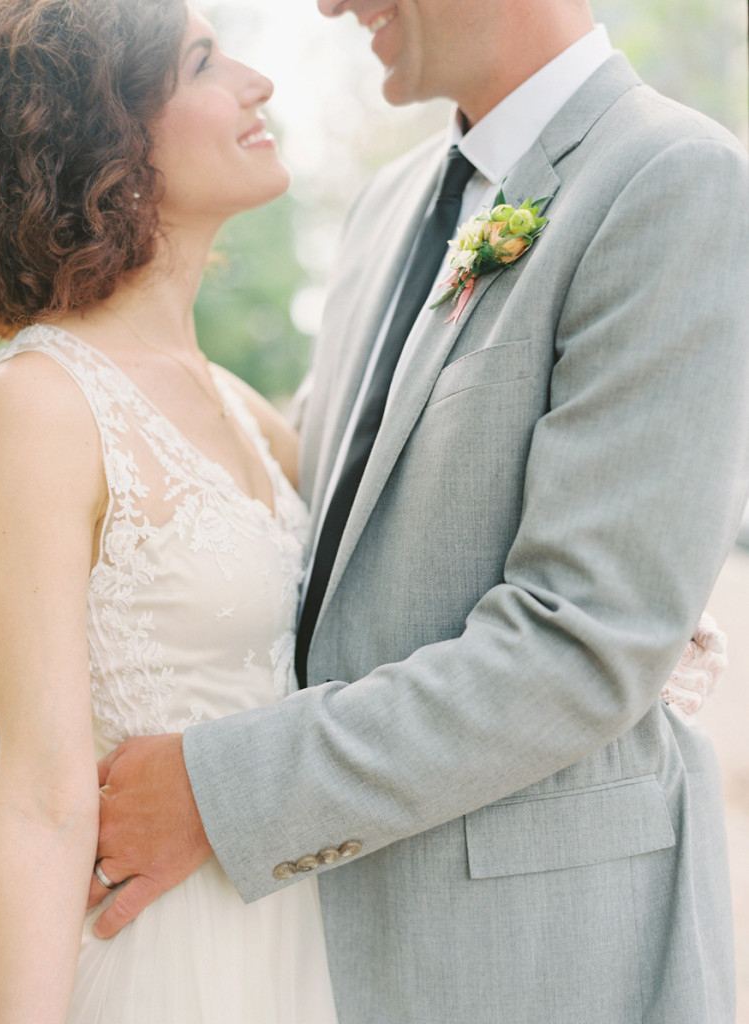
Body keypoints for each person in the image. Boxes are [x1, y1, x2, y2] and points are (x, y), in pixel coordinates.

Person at [86, 0, 749, 1021]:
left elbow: (583, 641)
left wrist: (218, 794)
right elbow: (317, 513)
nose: (329, 5)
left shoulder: (671, 177)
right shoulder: (386, 208)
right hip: (316, 954)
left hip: (546, 963)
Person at [0, 1, 340, 1021]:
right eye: (204, 62)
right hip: (160, 967)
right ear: (108, 136)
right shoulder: (38, 404)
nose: (257, 81)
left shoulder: (242, 406)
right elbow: (42, 800)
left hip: (297, 944)